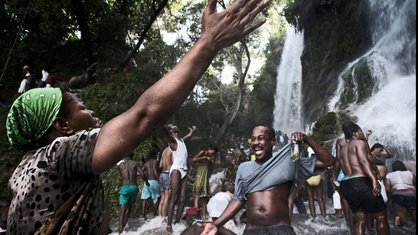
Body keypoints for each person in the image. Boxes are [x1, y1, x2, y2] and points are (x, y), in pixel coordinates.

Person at [5, 0, 270, 233]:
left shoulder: (26, 171)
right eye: (82, 108)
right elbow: (145, 116)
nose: (91, 112)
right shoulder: (59, 156)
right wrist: (208, 42)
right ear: (62, 125)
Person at [201, 125, 336, 235]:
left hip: (280, 230)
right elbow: (238, 199)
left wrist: (306, 139)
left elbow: (328, 161)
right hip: (251, 231)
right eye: (253, 139)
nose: (256, 143)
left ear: (273, 142)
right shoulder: (243, 168)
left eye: (261, 139)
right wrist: (215, 225)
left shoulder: (290, 164)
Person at [338, 121, 390, 235]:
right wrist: (374, 179)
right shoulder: (359, 143)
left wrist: (375, 170)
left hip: (347, 184)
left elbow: (367, 160)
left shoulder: (343, 149)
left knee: (359, 217)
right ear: (354, 134)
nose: (362, 133)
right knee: (380, 215)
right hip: (361, 181)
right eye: (361, 131)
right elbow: (363, 161)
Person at [165, 124, 195, 233]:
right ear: (171, 131)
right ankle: (169, 225)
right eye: (173, 126)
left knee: (182, 198)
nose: (175, 126)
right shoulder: (172, 141)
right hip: (176, 170)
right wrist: (164, 126)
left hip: (184, 170)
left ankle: (176, 222)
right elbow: (165, 133)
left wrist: (191, 131)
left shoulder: (181, 140)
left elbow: (189, 136)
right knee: (174, 197)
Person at [385, 160, 416, 227]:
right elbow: (414, 182)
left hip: (397, 195)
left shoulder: (389, 175)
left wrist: (391, 194)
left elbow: (387, 189)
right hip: (412, 195)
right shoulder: (409, 173)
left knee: (402, 220)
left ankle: (399, 219)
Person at [117, 153, 141, 235]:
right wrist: (147, 182)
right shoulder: (135, 163)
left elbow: (122, 176)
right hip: (134, 188)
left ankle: (121, 231)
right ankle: (123, 226)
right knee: (129, 207)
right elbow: (142, 174)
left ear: (124, 156)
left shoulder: (120, 165)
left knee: (122, 211)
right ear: (132, 155)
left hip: (125, 188)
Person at [193, 146, 218, 219]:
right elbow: (194, 159)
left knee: (204, 198)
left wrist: (211, 160)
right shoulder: (203, 152)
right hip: (199, 176)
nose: (211, 154)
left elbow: (209, 169)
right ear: (209, 149)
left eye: (213, 154)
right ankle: (196, 215)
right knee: (197, 196)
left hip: (205, 178)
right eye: (211, 152)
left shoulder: (211, 158)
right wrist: (204, 158)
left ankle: (203, 217)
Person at [305, 147, 327, 221]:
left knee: (310, 199)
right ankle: (324, 217)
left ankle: (313, 217)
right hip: (318, 178)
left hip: (309, 179)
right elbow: (324, 168)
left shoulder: (306, 161)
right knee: (320, 199)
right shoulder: (318, 160)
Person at [140, 149, 161, 220]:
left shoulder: (146, 164)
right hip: (154, 181)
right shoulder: (156, 162)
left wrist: (144, 179)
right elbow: (155, 170)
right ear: (155, 155)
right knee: (158, 197)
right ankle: (155, 213)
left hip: (147, 182)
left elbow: (141, 172)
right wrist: (159, 180)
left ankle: (143, 215)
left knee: (144, 199)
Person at [158, 146, 173, 219]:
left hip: (162, 174)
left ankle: (160, 217)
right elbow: (173, 164)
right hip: (168, 174)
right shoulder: (172, 150)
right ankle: (164, 218)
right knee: (167, 198)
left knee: (162, 198)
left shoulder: (164, 151)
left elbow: (160, 165)